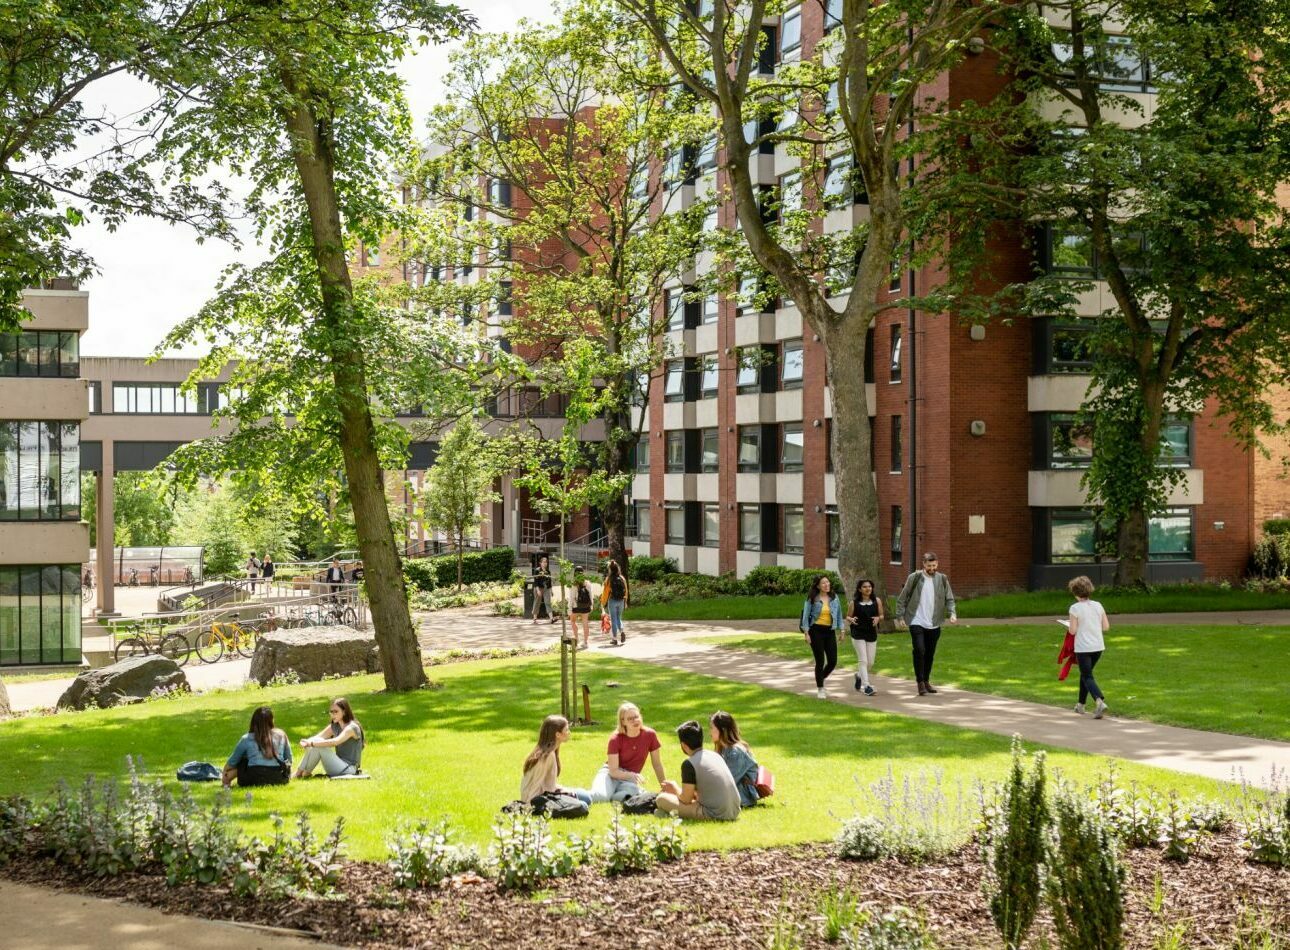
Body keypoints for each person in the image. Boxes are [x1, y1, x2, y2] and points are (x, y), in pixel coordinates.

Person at [895, 552, 958, 696]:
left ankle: (927, 680)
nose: (932, 568)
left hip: (934, 622)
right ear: (923, 564)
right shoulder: (915, 577)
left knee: (929, 653)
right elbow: (902, 598)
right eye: (929, 565)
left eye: (934, 565)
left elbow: (949, 599)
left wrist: (952, 613)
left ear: (937, 564)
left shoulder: (942, 579)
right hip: (917, 620)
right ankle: (920, 682)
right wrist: (900, 617)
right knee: (919, 649)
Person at [655, 720, 741, 821]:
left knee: (661, 799)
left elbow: (686, 800)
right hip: (734, 811)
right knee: (664, 807)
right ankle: (665, 813)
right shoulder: (715, 755)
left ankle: (666, 813)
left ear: (684, 745)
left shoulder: (689, 764)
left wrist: (674, 788)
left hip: (714, 813)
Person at [589, 702, 666, 803]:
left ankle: (615, 792)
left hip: (629, 780)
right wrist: (631, 775)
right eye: (630, 719)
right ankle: (570, 794)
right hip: (610, 774)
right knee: (600, 797)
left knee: (623, 798)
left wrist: (664, 787)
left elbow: (657, 764)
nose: (635, 721)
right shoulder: (615, 738)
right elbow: (613, 771)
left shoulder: (650, 735)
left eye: (636, 717)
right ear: (623, 721)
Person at [520, 714, 592, 808]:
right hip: (540, 799)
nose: (569, 732)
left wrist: (564, 790)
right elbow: (536, 783)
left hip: (549, 792)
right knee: (583, 806)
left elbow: (548, 784)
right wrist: (528, 805)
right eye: (566, 730)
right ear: (557, 734)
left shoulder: (551, 750)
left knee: (585, 796)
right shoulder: (547, 755)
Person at [1067, 575, 1110, 719]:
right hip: (1098, 646)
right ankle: (1080, 705)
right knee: (1085, 674)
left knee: (1087, 675)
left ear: (1075, 593)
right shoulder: (1098, 605)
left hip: (1083, 648)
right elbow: (1106, 627)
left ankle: (1099, 700)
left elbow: (1072, 631)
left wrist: (1068, 625)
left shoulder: (1075, 608)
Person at [294, 697, 365, 778]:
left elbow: (335, 741)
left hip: (348, 769)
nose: (332, 714)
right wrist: (306, 742)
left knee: (317, 743)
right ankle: (304, 773)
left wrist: (311, 743)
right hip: (337, 765)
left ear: (344, 712)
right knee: (316, 743)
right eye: (331, 712)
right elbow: (318, 737)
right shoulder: (335, 726)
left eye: (336, 712)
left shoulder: (352, 728)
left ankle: (299, 773)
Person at [222, 706, 292, 787]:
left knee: (243, 760)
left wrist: (224, 772)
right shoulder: (281, 734)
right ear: (271, 720)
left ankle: (227, 779)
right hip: (279, 778)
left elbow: (232, 762)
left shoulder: (247, 738)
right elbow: (289, 758)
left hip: (253, 778)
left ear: (253, 722)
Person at [799, 575, 844, 699]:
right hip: (816, 631)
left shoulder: (834, 598)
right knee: (820, 661)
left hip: (830, 631)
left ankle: (820, 679)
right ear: (818, 586)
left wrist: (842, 630)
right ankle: (820, 688)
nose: (826, 585)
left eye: (828, 582)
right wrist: (806, 633)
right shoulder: (812, 598)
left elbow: (839, 614)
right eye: (823, 583)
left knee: (833, 661)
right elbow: (805, 617)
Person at [710, 711, 760, 808]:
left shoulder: (736, 752)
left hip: (743, 798)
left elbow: (728, 781)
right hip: (732, 794)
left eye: (712, 728)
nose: (710, 732)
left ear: (722, 730)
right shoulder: (724, 749)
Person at [845, 578, 884, 696]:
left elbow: (881, 615)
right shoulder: (854, 603)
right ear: (859, 589)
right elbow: (848, 616)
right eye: (865, 587)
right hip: (858, 634)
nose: (868, 589)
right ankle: (866, 685)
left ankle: (858, 675)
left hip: (871, 633)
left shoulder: (877, 601)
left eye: (870, 586)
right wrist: (851, 619)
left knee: (870, 662)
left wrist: (878, 618)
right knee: (863, 660)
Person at [600, 560, 629, 646]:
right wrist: (625, 601)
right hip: (621, 601)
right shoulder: (622, 578)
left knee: (613, 620)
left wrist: (602, 603)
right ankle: (622, 631)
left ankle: (614, 639)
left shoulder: (609, 579)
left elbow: (605, 592)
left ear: (610, 569)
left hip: (612, 601)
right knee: (618, 618)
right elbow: (626, 590)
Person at [569, 567, 593, 649]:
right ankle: (586, 642)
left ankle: (577, 639)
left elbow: (571, 598)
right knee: (585, 623)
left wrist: (569, 609)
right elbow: (590, 595)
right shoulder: (587, 583)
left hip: (575, 606)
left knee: (572, 621)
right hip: (586, 606)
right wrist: (591, 605)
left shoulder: (573, 584)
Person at [531, 555, 555, 625]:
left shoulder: (548, 571)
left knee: (548, 602)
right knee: (537, 602)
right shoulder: (537, 570)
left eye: (546, 562)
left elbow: (549, 582)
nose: (545, 563)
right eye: (543, 562)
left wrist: (551, 590)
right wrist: (538, 590)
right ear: (540, 563)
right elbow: (535, 582)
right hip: (538, 588)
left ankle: (551, 618)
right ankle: (535, 618)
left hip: (546, 588)